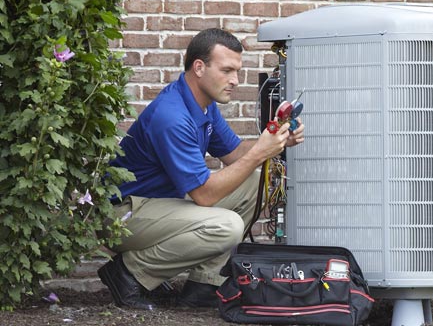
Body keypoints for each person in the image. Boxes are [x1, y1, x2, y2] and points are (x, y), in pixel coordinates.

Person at [98, 28, 305, 310]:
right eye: (227, 70)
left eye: (237, 71)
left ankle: (204, 285)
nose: (235, 80)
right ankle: (129, 273)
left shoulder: (203, 105)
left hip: (158, 204)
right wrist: (259, 152)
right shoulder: (172, 116)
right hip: (123, 214)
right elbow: (204, 196)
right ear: (199, 67)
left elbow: (234, 155)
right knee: (226, 226)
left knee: (256, 181)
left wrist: (277, 141)